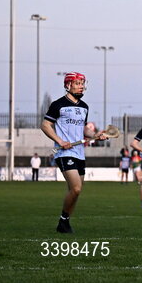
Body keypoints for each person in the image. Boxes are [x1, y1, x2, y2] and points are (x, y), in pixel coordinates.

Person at [40, 72, 109, 233]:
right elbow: (45, 125)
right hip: (65, 153)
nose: (81, 86)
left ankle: (64, 223)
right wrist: (60, 141)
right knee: (76, 188)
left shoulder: (84, 106)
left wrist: (95, 135)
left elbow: (84, 128)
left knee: (76, 191)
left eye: (82, 83)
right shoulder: (58, 104)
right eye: (77, 83)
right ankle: (64, 219)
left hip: (79, 153)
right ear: (68, 85)